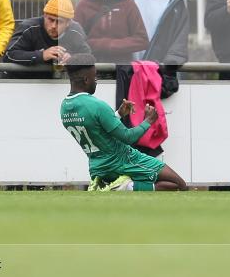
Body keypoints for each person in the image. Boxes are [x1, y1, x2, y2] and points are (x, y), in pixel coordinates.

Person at [60, 62, 187, 191]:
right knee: (179, 185)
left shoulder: (65, 107)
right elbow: (127, 137)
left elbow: (96, 129)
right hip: (124, 160)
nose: (96, 81)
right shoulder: (96, 105)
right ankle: (126, 187)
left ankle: (117, 185)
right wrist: (148, 121)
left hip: (97, 167)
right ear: (86, 80)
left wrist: (118, 114)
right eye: (95, 77)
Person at [126, 0, 189, 88]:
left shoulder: (175, 1)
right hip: (128, 74)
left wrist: (167, 68)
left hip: (158, 78)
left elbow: (179, 42)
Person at [74, 0, 148, 64]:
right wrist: (101, 45)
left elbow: (142, 40)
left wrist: (111, 45)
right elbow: (75, 39)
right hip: (91, 68)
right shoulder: (84, 4)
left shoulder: (128, 5)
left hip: (121, 70)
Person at [2, 0, 93, 78]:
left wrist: (73, 58)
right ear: (45, 15)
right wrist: (42, 55)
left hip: (53, 86)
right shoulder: (29, 27)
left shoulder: (76, 31)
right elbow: (8, 55)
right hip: (18, 83)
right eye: (51, 20)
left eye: (59, 21)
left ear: (68, 23)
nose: (54, 26)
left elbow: (88, 56)